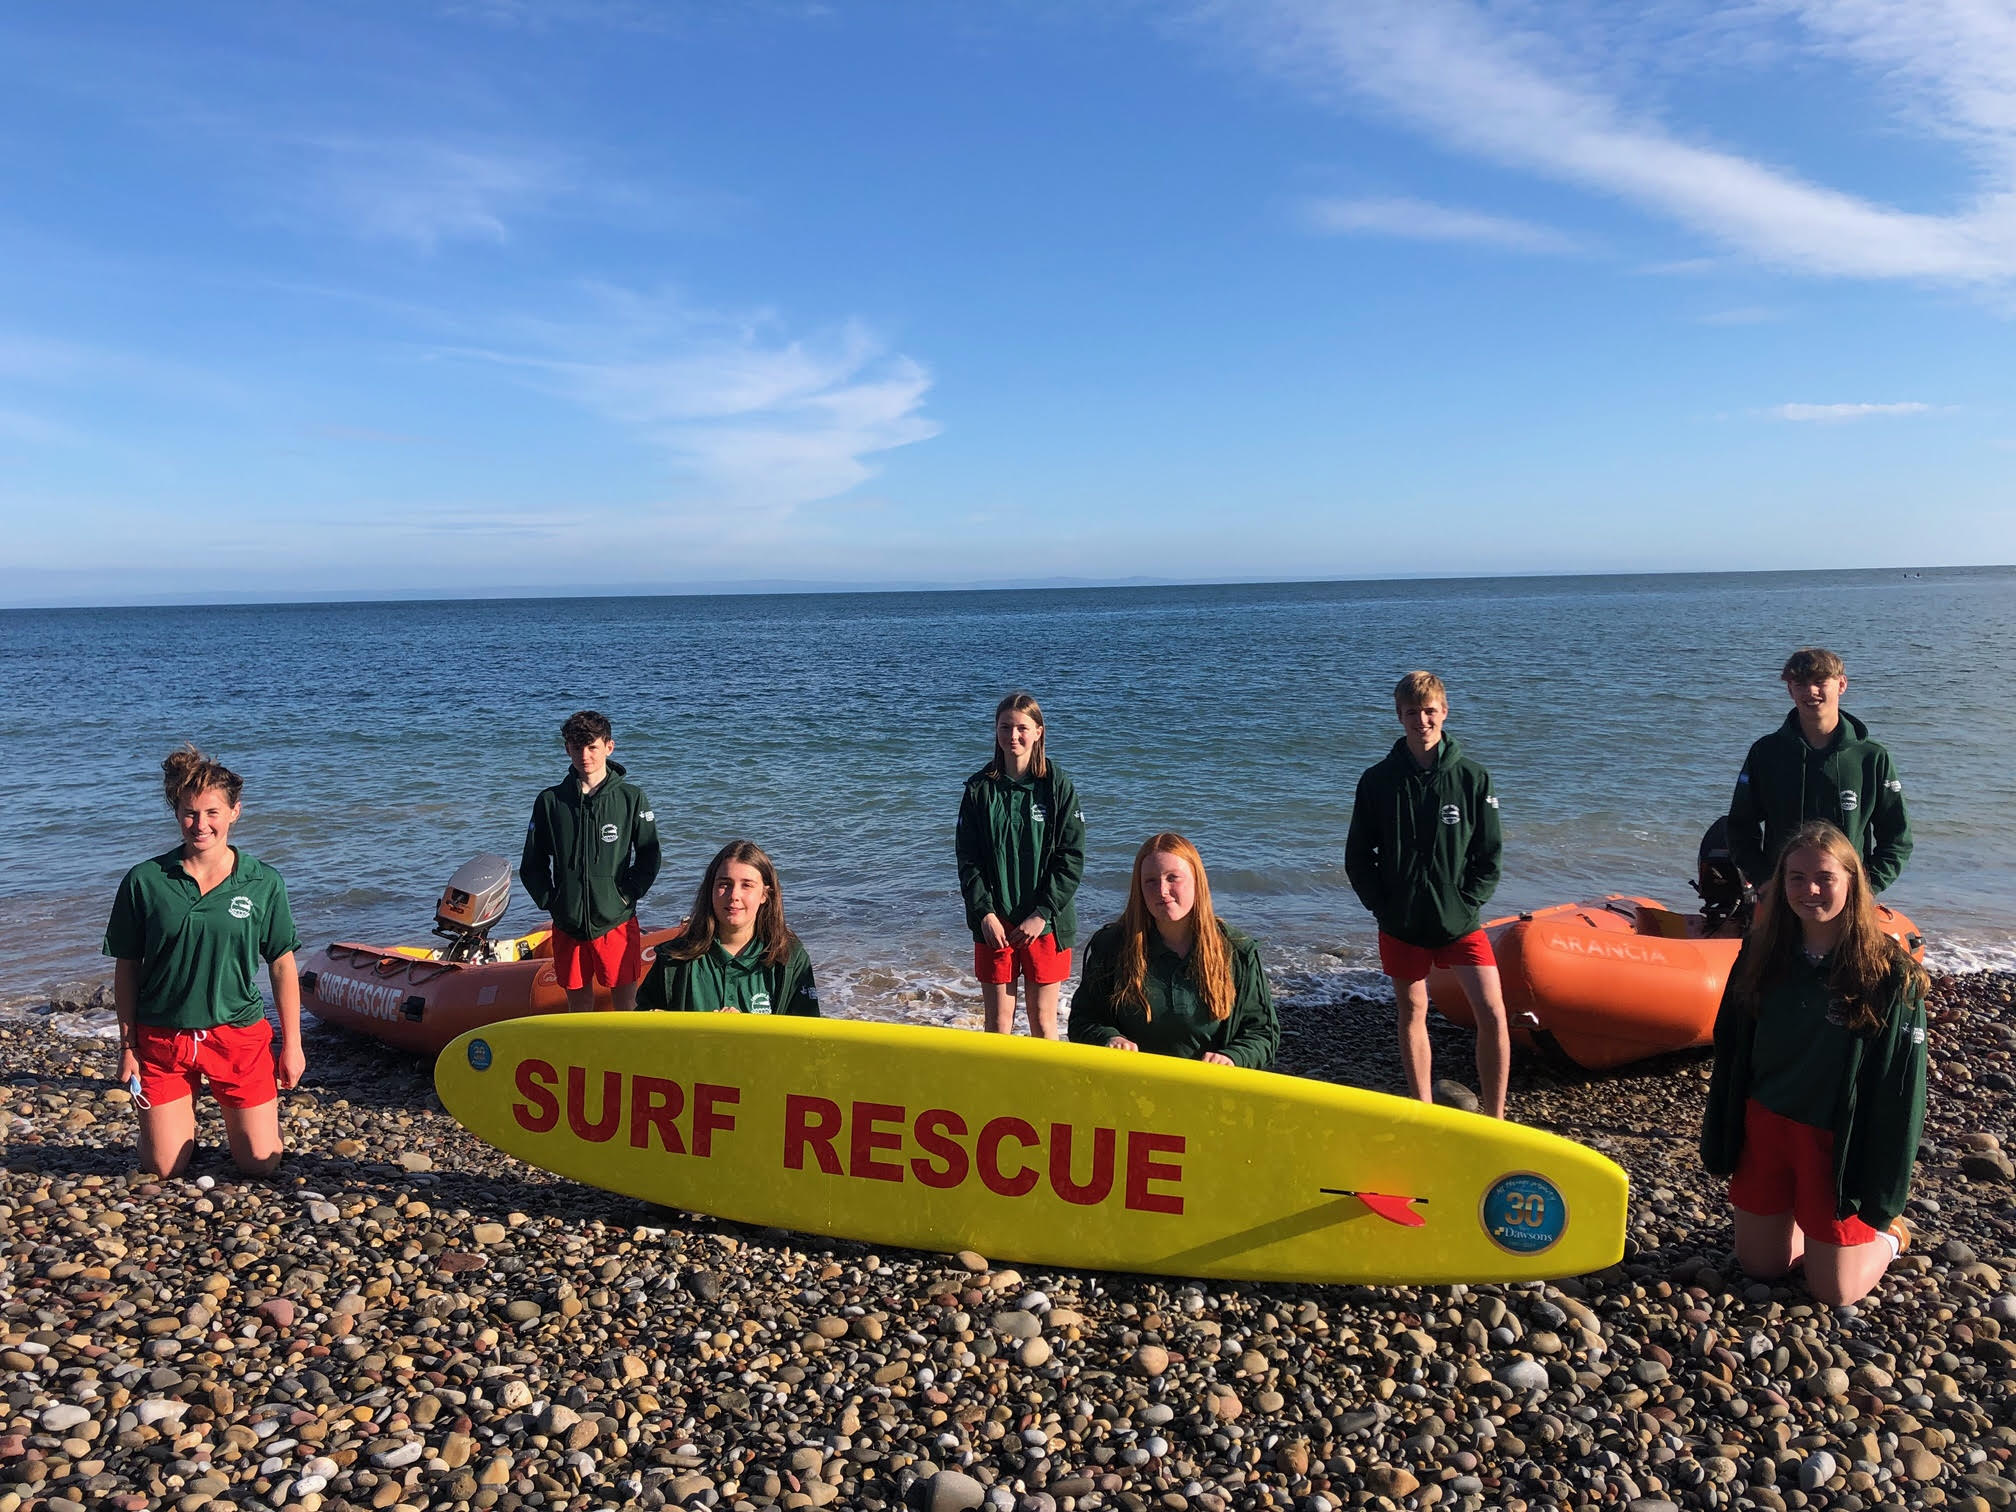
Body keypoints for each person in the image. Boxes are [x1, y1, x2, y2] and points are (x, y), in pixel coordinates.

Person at [1700, 820, 1928, 1307]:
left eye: (1824, 877)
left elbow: (1903, 1091)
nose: (1810, 889)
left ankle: (1888, 1239)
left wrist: (1886, 1192)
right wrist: (1721, 1130)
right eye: (1796, 877)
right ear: (1780, 884)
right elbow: (1730, 1048)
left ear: (1852, 881)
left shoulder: (1888, 972)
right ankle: (1809, 1226)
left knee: (1834, 1292)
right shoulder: (1760, 954)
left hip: (1835, 1143)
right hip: (1765, 1124)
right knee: (1761, 1267)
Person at [103, 745, 305, 1177]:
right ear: (176, 813)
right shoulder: (145, 880)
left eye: (212, 812)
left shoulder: (263, 882)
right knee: (161, 1168)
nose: (201, 824)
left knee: (260, 1165)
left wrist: (292, 1045)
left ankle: (244, 1123)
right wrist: (128, 1046)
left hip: (236, 1034)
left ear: (235, 812)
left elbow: (283, 965)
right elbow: (127, 967)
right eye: (190, 813)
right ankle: (173, 1124)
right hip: (162, 1038)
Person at [1344, 670, 1509, 1118]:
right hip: (1402, 923)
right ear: (1399, 716)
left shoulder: (1473, 778)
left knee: (1493, 1012)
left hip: (1460, 920)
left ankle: (1495, 1116)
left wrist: (1467, 902)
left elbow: (1489, 854)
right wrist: (1383, 907)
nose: (1422, 721)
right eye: (1412, 712)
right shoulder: (1377, 780)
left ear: (1444, 711)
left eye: (1430, 711)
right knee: (1412, 1010)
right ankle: (1423, 1110)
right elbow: (1359, 856)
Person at [1067, 833, 1279, 1068]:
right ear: (1139, 888)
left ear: (1197, 881)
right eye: (1150, 881)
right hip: (1131, 1085)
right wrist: (1109, 1038)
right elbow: (1082, 1021)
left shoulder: (1237, 950)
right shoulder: (1111, 946)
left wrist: (1232, 1057)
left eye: (1173, 878)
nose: (1162, 890)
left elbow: (1263, 1033)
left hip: (1210, 1089)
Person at [1728, 647, 1912, 894]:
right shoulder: (1766, 753)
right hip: (1782, 896)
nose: (1811, 691)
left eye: (1820, 682)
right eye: (1801, 683)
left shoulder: (1871, 756)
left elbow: (1897, 838)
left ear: (1841, 684)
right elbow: (1740, 827)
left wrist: (1869, 887)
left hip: (1847, 898)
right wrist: (1764, 880)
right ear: (1790, 689)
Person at [955, 692, 1086, 1038]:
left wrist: (1042, 913)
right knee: (997, 1025)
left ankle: (1047, 1092)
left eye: (1022, 728)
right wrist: (984, 914)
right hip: (994, 924)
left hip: (1045, 924)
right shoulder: (979, 789)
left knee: (1043, 1024)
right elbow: (969, 861)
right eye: (1005, 727)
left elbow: (1071, 858)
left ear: (1039, 732)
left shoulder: (1057, 787)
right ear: (995, 732)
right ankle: (995, 1092)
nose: (1013, 736)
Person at [520, 710, 661, 1012]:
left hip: (616, 922)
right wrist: (552, 901)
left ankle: (624, 1058)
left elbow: (650, 855)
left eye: (592, 746)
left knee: (625, 1008)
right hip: (568, 923)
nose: (584, 755)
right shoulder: (550, 801)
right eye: (576, 747)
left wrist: (626, 894)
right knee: (577, 1009)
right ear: (566, 748)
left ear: (609, 746)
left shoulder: (630, 798)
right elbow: (532, 863)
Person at [638, 840, 819, 1015]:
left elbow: (806, 1036)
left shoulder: (790, 958)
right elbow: (641, 1029)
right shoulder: (674, 958)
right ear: (710, 889)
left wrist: (742, 1030)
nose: (734, 895)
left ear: (765, 894)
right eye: (724, 884)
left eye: (746, 885)